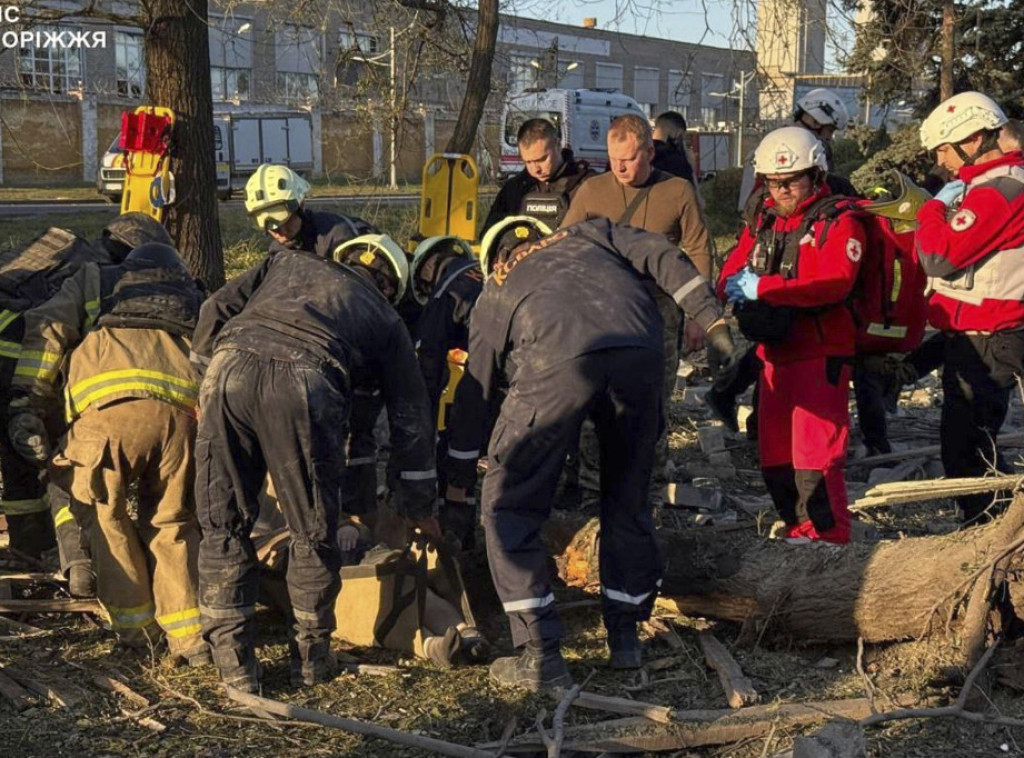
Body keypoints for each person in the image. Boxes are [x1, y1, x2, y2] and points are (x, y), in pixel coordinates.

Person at [444, 216, 738, 692]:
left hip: (553, 358)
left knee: (507, 501)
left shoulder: (497, 289)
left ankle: (540, 656)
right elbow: (664, 254)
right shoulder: (591, 233)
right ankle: (625, 639)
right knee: (627, 496)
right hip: (640, 349)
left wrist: (457, 476)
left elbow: (475, 393)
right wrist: (713, 319)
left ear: (496, 257)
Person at [190, 234, 438, 693]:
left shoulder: (284, 263)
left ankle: (234, 666)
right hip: (305, 381)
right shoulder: (385, 318)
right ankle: (312, 659)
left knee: (222, 522)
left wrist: (203, 381)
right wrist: (420, 505)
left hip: (227, 368)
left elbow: (213, 309)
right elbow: (412, 417)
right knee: (311, 531)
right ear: (391, 286)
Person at [8, 242, 207, 662]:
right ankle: (191, 639)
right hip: (179, 417)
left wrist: (29, 401)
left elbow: (50, 328)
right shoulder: (192, 295)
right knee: (173, 522)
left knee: (107, 519)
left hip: (107, 417)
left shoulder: (96, 281)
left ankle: (139, 637)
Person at [1, 213, 171, 596]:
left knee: (19, 461)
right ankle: (78, 565)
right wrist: (33, 401)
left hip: (12, 368)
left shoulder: (59, 259)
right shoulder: (100, 278)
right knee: (61, 467)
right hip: (26, 367)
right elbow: (66, 340)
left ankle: (31, 547)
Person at [719, 126, 866, 545]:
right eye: (774, 182)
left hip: (821, 353)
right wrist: (728, 285)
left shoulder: (840, 220)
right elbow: (735, 262)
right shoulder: (763, 218)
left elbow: (835, 281)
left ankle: (831, 541)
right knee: (776, 459)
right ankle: (797, 531)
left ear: (816, 175)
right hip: (774, 354)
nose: (782, 191)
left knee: (816, 460)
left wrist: (763, 289)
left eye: (792, 181)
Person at [561, 114, 713, 503]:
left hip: (658, 308)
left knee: (654, 399)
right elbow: (564, 247)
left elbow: (697, 249)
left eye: (628, 159)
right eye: (613, 160)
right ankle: (594, 486)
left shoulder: (677, 191)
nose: (620, 168)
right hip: (602, 310)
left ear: (649, 151)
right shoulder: (592, 191)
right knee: (596, 395)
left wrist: (699, 314)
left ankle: (651, 482)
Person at [244, 164, 385, 517]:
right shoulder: (280, 251)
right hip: (315, 357)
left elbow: (368, 300)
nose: (276, 231)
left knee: (360, 430)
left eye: (281, 221)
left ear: (299, 204)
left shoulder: (341, 237)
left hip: (360, 348)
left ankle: (363, 513)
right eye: (266, 226)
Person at [915, 91, 1024, 523]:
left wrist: (929, 211)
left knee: (968, 456)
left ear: (973, 137)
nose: (942, 161)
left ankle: (991, 542)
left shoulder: (1000, 188)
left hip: (988, 339)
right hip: (974, 334)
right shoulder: (987, 185)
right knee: (969, 450)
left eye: (944, 148)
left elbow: (939, 255)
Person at [409, 235, 488, 548]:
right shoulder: (487, 272)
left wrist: (422, 426)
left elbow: (427, 363)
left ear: (428, 266)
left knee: (458, 450)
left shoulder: (446, 292)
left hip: (486, 377)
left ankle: (458, 539)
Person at [480, 118, 594, 232]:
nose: (535, 169)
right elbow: (490, 234)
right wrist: (515, 244)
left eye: (542, 159)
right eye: (528, 162)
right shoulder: (515, 189)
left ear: (558, 145)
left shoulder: (587, 186)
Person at [652, 111, 697, 185]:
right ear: (679, 133)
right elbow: (691, 192)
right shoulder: (676, 160)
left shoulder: (643, 153)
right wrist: (690, 168)